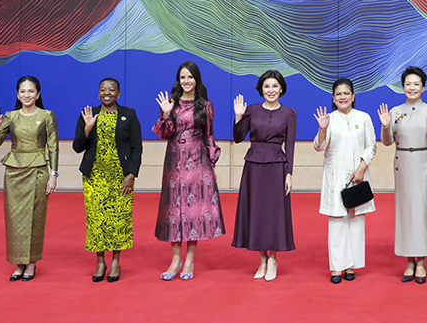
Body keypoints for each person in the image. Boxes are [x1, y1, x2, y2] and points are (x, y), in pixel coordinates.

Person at [153, 61, 225, 280]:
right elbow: (164, 133)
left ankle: (190, 261)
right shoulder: (170, 103)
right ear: (178, 80)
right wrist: (165, 115)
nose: (186, 81)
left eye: (190, 77)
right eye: (183, 77)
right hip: (174, 159)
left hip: (198, 160)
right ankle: (175, 259)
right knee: (174, 210)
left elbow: (209, 135)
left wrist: (211, 163)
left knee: (194, 210)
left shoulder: (206, 106)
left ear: (197, 80)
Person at [0, 76, 58, 281]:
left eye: (31, 91)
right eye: (22, 91)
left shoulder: (47, 115)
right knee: (14, 218)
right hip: (13, 172)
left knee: (35, 217)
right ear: (17, 94)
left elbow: (53, 148)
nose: (26, 95)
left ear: (38, 94)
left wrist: (53, 175)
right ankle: (19, 263)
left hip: (38, 171)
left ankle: (32, 263)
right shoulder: (10, 116)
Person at [378, 66, 427, 284]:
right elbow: (387, 142)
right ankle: (409, 260)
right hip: (403, 164)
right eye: (408, 84)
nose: (412, 87)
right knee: (406, 213)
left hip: (425, 164)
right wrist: (385, 126)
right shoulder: (396, 111)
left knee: (424, 212)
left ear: (423, 87)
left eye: (416, 84)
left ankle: (422, 261)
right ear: (403, 87)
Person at [73, 77, 143, 282]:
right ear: (98, 93)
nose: (107, 93)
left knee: (119, 219)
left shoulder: (129, 115)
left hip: (121, 177)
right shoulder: (88, 114)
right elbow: (77, 147)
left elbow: (137, 147)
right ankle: (100, 261)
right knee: (97, 220)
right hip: (94, 177)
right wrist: (87, 128)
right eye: (103, 90)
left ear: (118, 94)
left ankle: (115, 261)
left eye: (111, 90)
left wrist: (132, 174)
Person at [232, 70, 297, 281]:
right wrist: (238, 117)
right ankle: (261, 258)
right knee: (256, 212)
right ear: (261, 89)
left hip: (277, 166)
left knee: (274, 214)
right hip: (253, 165)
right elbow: (238, 138)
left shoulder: (289, 113)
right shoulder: (250, 110)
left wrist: (289, 173)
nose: (271, 90)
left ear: (281, 89)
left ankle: (273, 259)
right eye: (267, 86)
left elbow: (290, 146)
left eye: (275, 86)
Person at [314, 78, 376, 284]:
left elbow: (371, 146)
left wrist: (362, 167)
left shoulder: (364, 118)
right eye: (338, 94)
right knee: (337, 221)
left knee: (356, 221)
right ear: (333, 97)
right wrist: (323, 129)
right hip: (336, 177)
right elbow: (319, 147)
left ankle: (351, 266)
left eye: (346, 93)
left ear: (353, 96)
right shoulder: (329, 119)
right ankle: (336, 267)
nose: (343, 97)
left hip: (358, 177)